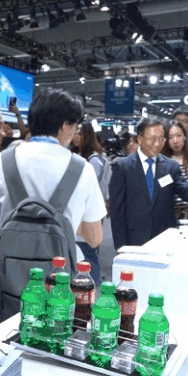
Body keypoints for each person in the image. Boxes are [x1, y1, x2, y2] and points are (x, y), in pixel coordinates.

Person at [0, 88, 107, 307]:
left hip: (8, 286)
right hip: (59, 286)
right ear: (65, 126)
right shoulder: (82, 169)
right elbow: (94, 238)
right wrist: (67, 219)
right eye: (75, 127)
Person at [110, 118, 188, 252]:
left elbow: (182, 188)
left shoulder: (170, 166)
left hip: (165, 236)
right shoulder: (123, 167)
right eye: (152, 139)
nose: (157, 144)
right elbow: (116, 210)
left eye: (161, 139)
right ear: (140, 139)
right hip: (134, 237)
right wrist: (120, 245)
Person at [70, 121, 110, 283]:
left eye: (80, 134)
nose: (76, 137)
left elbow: (88, 188)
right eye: (75, 133)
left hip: (88, 211)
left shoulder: (93, 160)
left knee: (88, 251)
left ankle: (93, 285)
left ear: (88, 136)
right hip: (81, 209)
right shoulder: (79, 155)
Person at [162, 121, 188, 219]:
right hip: (170, 212)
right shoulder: (162, 162)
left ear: (184, 136)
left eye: (179, 136)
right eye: (170, 137)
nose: (175, 141)